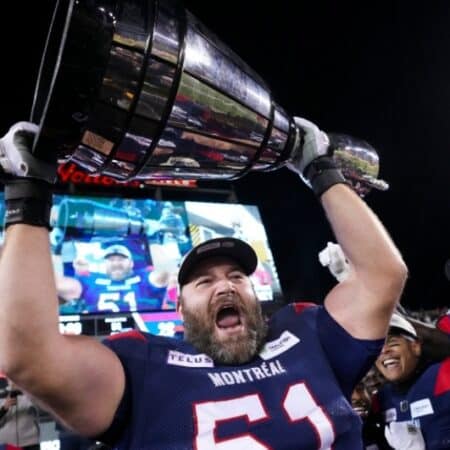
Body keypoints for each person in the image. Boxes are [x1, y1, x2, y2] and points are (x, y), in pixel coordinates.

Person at [0, 117, 407, 448]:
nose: (225, 286)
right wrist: (28, 195)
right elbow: (27, 356)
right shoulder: (141, 365)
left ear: (254, 291)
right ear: (178, 308)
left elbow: (383, 276)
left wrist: (320, 171)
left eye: (236, 276)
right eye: (204, 281)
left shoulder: (305, 332)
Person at [374, 312, 450, 449]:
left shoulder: (443, 374)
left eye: (393, 342)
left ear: (415, 347)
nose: (384, 350)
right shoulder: (380, 399)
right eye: (378, 347)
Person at [57, 243, 171, 313]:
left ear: (131, 263)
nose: (116, 263)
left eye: (121, 259)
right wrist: (56, 247)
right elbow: (57, 285)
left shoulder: (143, 278)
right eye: (111, 260)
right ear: (104, 264)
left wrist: (154, 240)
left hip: (146, 336)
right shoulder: (90, 280)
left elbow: (162, 275)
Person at [0, 379, 40, 450]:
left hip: (30, 442)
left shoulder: (32, 393)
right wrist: (4, 408)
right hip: (6, 443)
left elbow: (44, 408)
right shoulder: (1, 394)